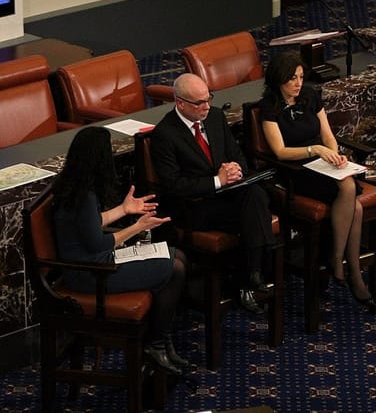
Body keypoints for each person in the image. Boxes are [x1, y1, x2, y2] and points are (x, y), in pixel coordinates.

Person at [52, 126, 189, 375]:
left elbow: (91, 224)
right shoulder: (85, 195)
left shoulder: (75, 185)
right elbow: (98, 243)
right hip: (91, 274)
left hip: (93, 264)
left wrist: (125, 209)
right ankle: (157, 344)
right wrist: (137, 227)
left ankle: (161, 343)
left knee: (176, 255)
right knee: (175, 266)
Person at [259, 51, 376, 313]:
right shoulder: (269, 107)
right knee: (349, 189)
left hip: (322, 164)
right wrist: (316, 150)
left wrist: (335, 155)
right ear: (278, 79)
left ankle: (350, 270)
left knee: (355, 206)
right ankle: (339, 261)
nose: (298, 83)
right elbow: (280, 151)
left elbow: (328, 135)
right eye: (292, 78)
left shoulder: (310, 96)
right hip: (295, 171)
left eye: (301, 77)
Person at [151, 73, 275, 315]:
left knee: (256, 193)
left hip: (229, 195)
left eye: (208, 99)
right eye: (199, 103)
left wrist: (235, 169)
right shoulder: (165, 134)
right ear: (180, 103)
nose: (206, 106)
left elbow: (238, 155)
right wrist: (218, 180)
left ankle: (250, 273)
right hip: (196, 207)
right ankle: (252, 273)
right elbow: (174, 186)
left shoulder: (216, 117)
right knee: (254, 205)